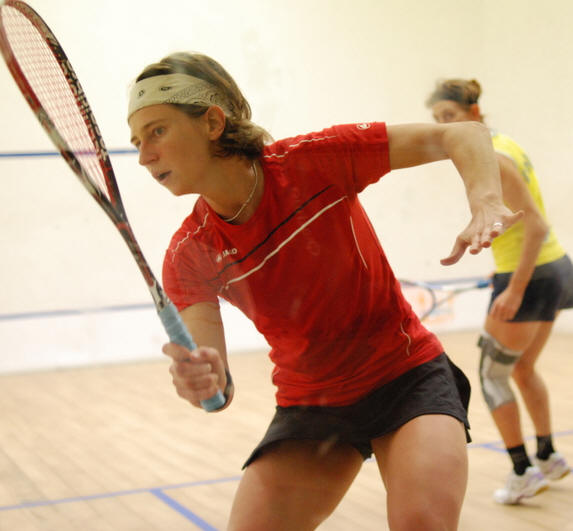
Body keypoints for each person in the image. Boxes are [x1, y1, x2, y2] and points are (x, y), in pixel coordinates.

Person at [127, 52, 521, 530]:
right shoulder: (190, 253)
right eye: (137, 142)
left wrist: (486, 200)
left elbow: (464, 134)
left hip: (406, 378)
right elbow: (217, 386)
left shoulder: (311, 162)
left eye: (157, 131)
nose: (145, 156)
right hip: (312, 407)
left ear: (213, 122)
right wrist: (204, 383)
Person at [427, 78, 573, 506]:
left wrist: (515, 289)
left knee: (493, 375)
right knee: (523, 368)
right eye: (437, 119)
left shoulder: (494, 158)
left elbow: (536, 226)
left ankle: (522, 471)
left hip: (531, 276)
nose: (444, 126)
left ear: (473, 113)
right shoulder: (505, 144)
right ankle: (548, 456)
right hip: (555, 270)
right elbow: (522, 218)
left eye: (450, 116)